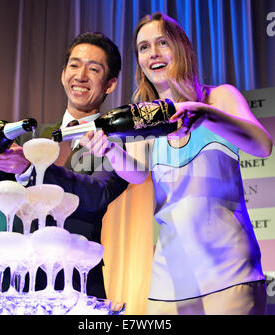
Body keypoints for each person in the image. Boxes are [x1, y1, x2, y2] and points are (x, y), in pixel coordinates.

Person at [79, 12, 273, 314]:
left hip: (230, 275)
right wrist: (109, 150)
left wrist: (205, 113)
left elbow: (262, 146)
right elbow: (137, 174)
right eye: (143, 47)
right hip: (167, 282)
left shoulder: (219, 97)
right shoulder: (146, 118)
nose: (153, 53)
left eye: (162, 43)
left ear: (181, 49)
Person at [0, 32, 128, 298]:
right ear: (62, 74)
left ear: (110, 84)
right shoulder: (29, 135)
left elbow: (97, 194)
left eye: (94, 69)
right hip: (12, 280)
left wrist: (30, 169)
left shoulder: (115, 145)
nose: (80, 76)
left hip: (73, 284)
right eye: (74, 65)